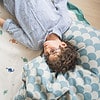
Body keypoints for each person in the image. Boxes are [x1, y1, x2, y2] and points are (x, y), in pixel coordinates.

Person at [0, 0, 78, 74]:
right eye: (52, 51)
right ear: (63, 45)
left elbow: (13, 29)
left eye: (47, 55)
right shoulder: (64, 23)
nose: (47, 50)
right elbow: (60, 2)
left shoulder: (34, 43)